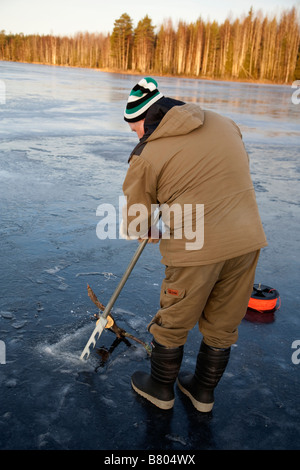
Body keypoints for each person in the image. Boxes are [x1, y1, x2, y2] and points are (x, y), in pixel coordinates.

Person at [121, 77, 267, 412]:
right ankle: (202, 393)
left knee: (175, 318)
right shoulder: (222, 121)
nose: (137, 136)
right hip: (247, 237)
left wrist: (151, 228)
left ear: (144, 120)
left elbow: (137, 222)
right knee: (223, 321)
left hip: (196, 246)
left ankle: (160, 389)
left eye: (134, 130)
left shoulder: (146, 154)